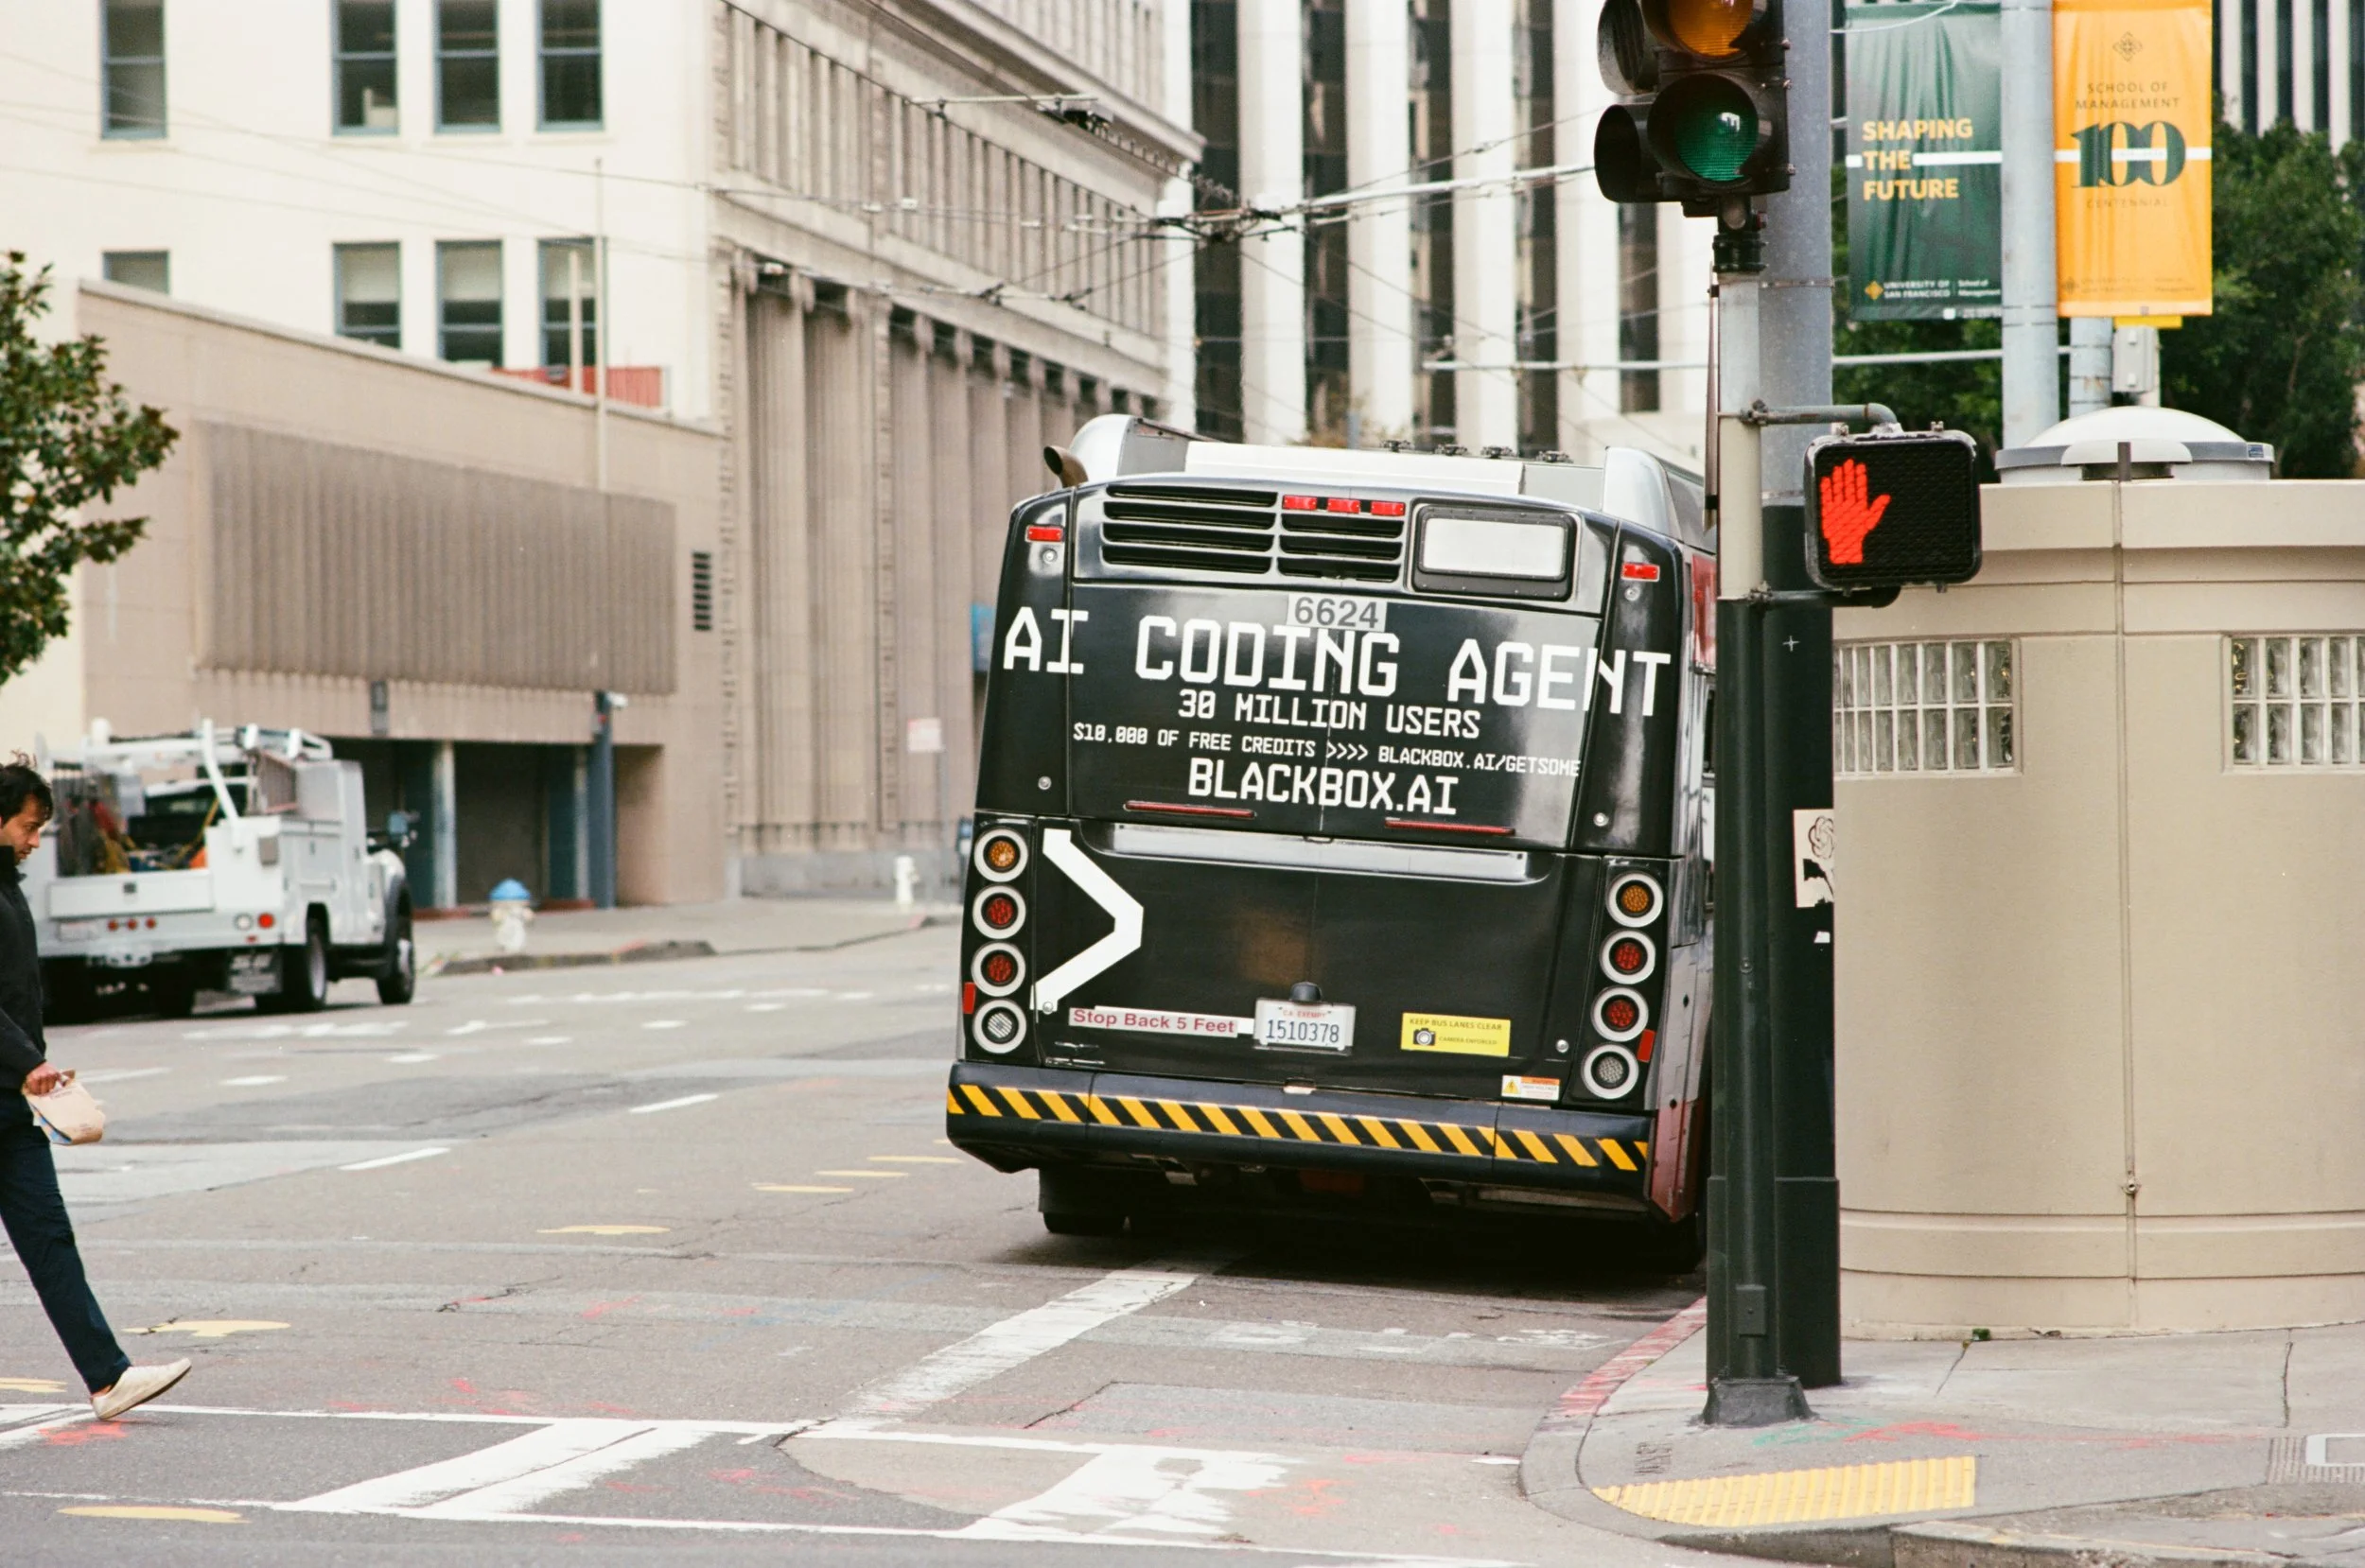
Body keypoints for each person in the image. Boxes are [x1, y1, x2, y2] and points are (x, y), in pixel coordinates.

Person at [0, 757, 189, 1420]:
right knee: (48, 1237)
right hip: (10, 1082)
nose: (35, 840)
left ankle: (109, 1379)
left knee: (50, 1238)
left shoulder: (8, 885)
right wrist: (27, 1059)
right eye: (27, 827)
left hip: (11, 1104)